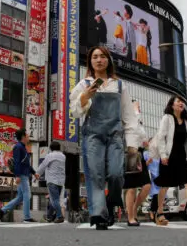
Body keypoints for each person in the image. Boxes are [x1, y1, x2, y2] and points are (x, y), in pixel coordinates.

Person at [69, 46, 138, 230]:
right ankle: (98, 214)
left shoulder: (120, 85)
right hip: (92, 135)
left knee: (116, 174)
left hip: (115, 135)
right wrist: (86, 96)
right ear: (90, 62)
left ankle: (110, 202)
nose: (99, 60)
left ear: (108, 60)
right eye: (95, 57)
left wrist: (132, 145)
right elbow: (74, 111)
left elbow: (129, 116)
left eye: (102, 56)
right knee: (95, 175)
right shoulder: (84, 84)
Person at [154, 96, 187, 226]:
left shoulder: (186, 121)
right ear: (172, 105)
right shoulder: (167, 118)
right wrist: (163, 155)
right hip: (168, 156)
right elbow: (160, 137)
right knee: (164, 185)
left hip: (182, 157)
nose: (181, 103)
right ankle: (159, 213)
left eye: (182, 101)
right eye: (178, 101)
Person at [0, 129, 39, 223]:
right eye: (27, 135)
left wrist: (34, 173)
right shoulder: (18, 147)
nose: (28, 136)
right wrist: (17, 175)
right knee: (27, 195)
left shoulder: (23, 147)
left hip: (24, 174)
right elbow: (17, 162)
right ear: (23, 136)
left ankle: (2, 211)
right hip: (22, 175)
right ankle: (27, 217)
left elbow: (26, 163)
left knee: (20, 197)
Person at [123, 118, 151, 226]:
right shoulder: (128, 116)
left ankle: (135, 208)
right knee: (131, 188)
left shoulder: (139, 120)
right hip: (130, 151)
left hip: (140, 153)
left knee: (147, 186)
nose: (138, 105)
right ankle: (130, 217)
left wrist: (146, 144)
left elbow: (143, 137)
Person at [37, 141, 66, 223]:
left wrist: (37, 174)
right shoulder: (63, 156)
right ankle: (49, 216)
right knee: (53, 200)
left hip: (52, 181)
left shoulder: (50, 155)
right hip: (61, 181)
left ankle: (60, 216)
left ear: (51, 148)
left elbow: (43, 165)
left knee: (55, 200)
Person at [143, 137, 161, 222]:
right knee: (156, 194)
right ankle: (153, 212)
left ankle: (156, 212)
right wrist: (147, 162)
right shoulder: (146, 154)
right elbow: (142, 167)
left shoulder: (159, 154)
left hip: (160, 176)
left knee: (160, 196)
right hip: (151, 176)